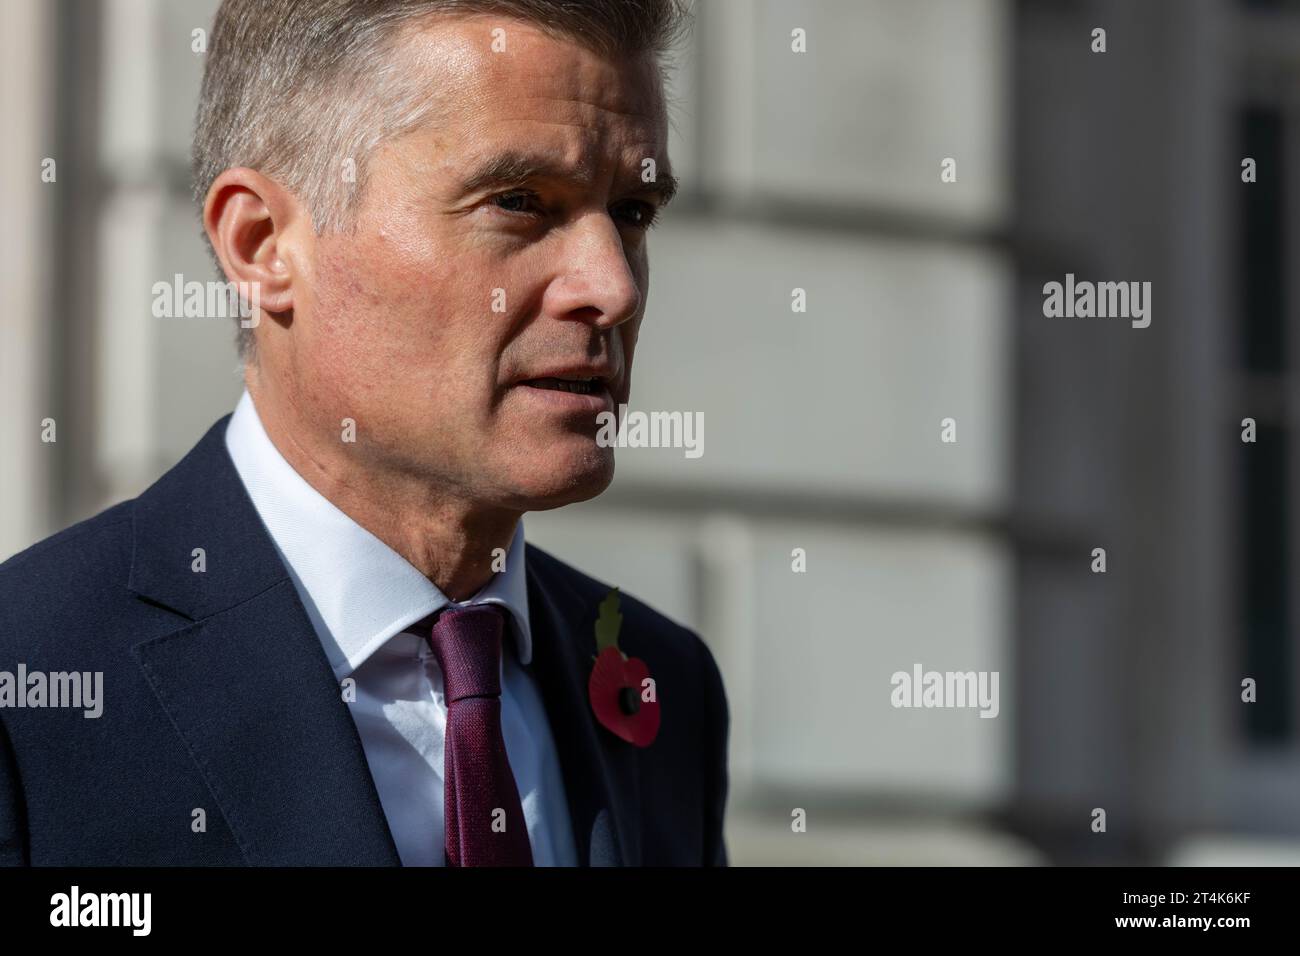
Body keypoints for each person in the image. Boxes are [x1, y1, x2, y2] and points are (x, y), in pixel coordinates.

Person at [0, 0, 728, 867]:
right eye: (521, 201)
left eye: (634, 211)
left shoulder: (664, 683)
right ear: (264, 243)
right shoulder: (33, 687)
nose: (612, 287)